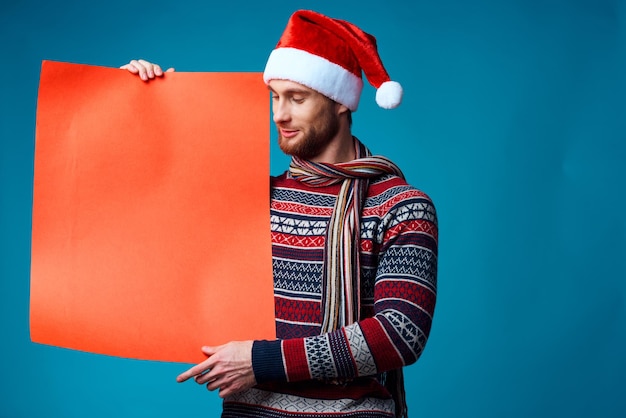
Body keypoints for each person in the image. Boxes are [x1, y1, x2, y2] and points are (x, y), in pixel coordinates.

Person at [122, 10, 437, 418]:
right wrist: (144, 103)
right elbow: (149, 218)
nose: (279, 115)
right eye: (275, 96)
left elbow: (400, 333)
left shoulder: (401, 206)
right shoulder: (249, 198)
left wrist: (261, 362)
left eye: (297, 98)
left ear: (341, 102)